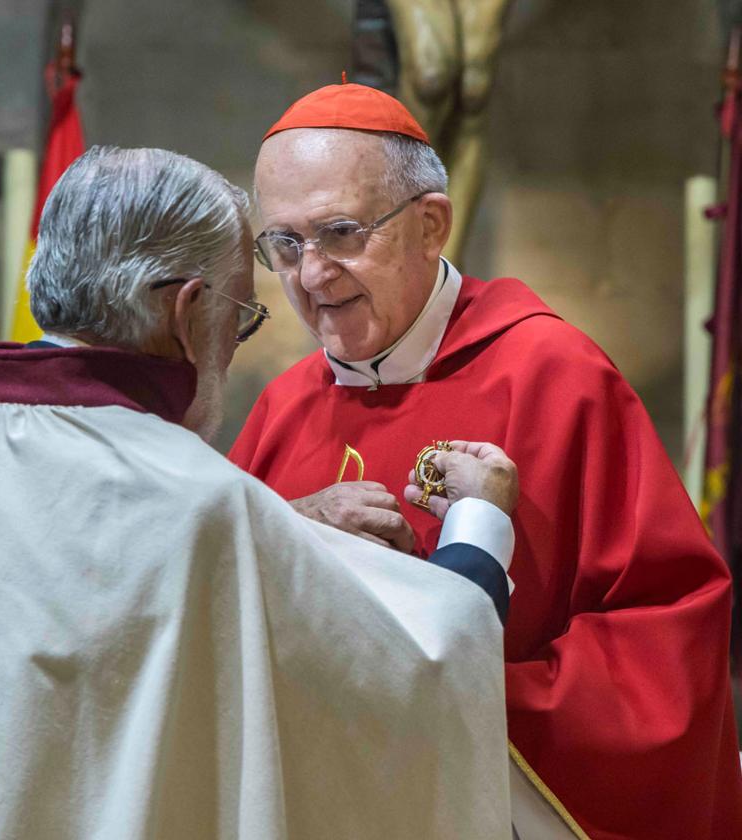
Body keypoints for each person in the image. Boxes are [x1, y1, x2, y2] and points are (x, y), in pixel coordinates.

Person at [0, 146, 520, 839]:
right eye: (241, 314)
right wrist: (477, 522)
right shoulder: (192, 499)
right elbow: (425, 672)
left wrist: (279, 530)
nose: (234, 340)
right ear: (188, 313)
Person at [229, 81, 742, 839]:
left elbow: (666, 638)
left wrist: (448, 703)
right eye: (285, 244)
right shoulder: (283, 407)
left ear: (431, 224)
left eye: (341, 233)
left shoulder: (553, 376)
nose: (311, 276)